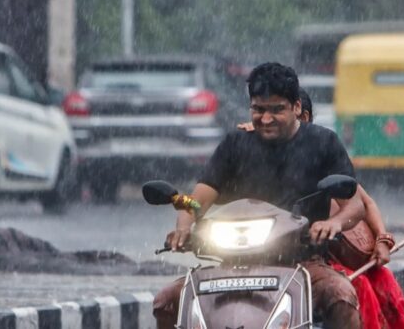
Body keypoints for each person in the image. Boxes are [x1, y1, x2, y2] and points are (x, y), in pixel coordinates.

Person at [153, 62, 366, 328]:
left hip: (301, 263)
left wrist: (333, 223)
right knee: (166, 300)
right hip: (229, 264)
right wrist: (184, 226)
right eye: (259, 109)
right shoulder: (235, 143)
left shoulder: (324, 142)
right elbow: (195, 202)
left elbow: (355, 206)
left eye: (277, 110)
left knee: (341, 296)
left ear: (297, 107)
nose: (266, 119)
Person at [240, 88, 404, 329]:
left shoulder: (320, 152)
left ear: (302, 118)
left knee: (375, 280)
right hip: (271, 256)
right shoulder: (251, 150)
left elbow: (363, 202)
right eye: (262, 113)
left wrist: (382, 240)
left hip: (320, 255)